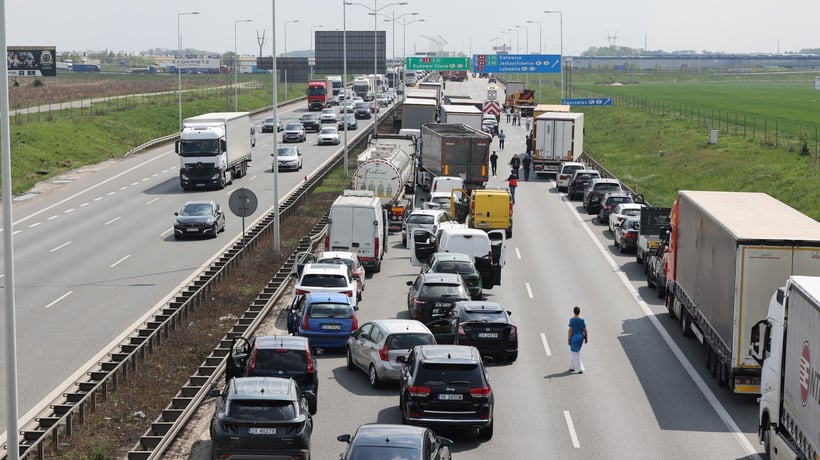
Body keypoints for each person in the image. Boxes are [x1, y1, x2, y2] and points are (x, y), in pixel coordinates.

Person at [568, 306, 588, 374]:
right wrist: (586, 338)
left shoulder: (572, 320)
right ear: (579, 312)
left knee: (575, 353)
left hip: (574, 338)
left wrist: (569, 339)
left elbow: (570, 330)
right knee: (576, 352)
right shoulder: (582, 320)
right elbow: (585, 330)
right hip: (581, 338)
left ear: (573, 312)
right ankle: (572, 366)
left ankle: (580, 368)